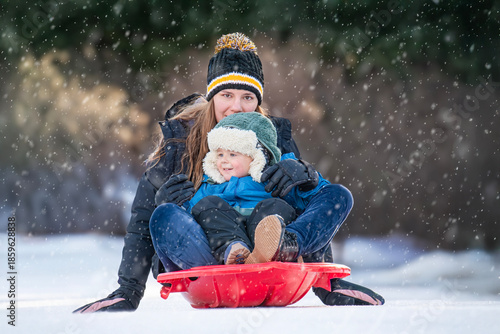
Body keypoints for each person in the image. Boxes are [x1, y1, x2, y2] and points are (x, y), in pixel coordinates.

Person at [73, 33, 383, 313]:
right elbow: (142, 220)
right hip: (211, 262)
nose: (236, 107)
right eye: (227, 95)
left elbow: (307, 203)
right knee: (163, 216)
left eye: (247, 97)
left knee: (336, 195)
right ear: (211, 98)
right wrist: (128, 290)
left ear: (258, 102)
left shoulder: (274, 139)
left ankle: (284, 245)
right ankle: (233, 256)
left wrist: (305, 177)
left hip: (274, 259)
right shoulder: (180, 142)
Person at [151, 111, 334, 268]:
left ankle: (273, 249)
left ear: (256, 158)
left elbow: (319, 200)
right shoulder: (209, 188)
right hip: (223, 255)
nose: (223, 160)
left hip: (268, 257)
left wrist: (309, 179)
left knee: (275, 206)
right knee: (208, 206)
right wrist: (172, 206)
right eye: (220, 154)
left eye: (232, 154)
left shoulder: (273, 183)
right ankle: (235, 250)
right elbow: (189, 222)